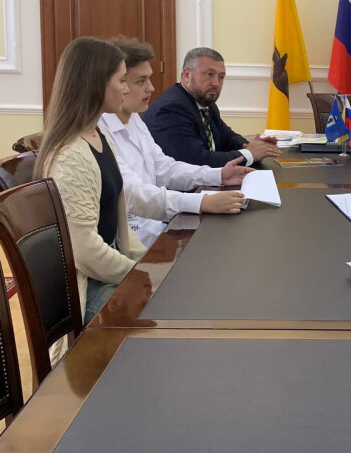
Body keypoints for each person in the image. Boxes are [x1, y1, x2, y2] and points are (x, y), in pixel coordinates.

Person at [35, 37, 147, 324]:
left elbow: (118, 226)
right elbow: (85, 252)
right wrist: (141, 275)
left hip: (105, 273)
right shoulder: (72, 155)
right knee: (168, 311)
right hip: (88, 287)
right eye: (121, 80)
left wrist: (149, 264)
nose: (126, 88)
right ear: (96, 83)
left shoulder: (99, 135)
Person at [98, 38, 250, 247]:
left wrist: (218, 175)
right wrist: (202, 202)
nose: (151, 88)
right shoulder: (99, 130)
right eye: (141, 81)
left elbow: (164, 168)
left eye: (149, 79)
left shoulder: (134, 119)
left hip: (156, 232)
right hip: (130, 246)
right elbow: (132, 193)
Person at [143, 47, 281, 168]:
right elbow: (196, 161)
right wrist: (249, 154)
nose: (216, 83)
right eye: (209, 74)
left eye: (221, 77)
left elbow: (226, 136)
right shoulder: (172, 109)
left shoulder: (206, 103)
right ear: (187, 75)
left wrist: (250, 145)